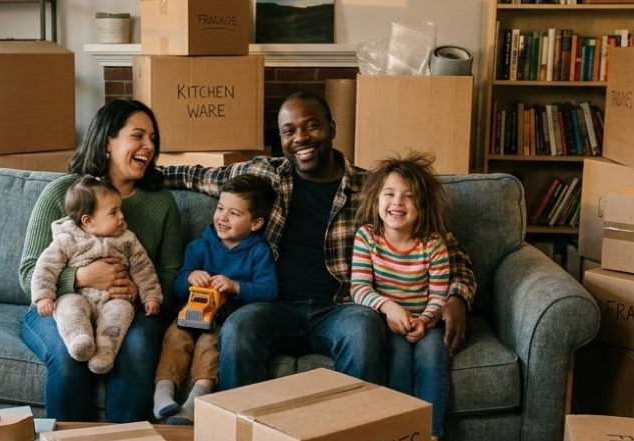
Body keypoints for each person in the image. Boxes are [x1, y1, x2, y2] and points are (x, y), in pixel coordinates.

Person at [161, 91, 475, 391]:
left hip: (341, 309)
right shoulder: (265, 174)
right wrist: (129, 171)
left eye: (312, 125)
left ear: (331, 128)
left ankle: (353, 440)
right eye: (289, 131)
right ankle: (243, 438)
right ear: (281, 138)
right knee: (239, 327)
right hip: (274, 306)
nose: (300, 138)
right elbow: (196, 176)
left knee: (364, 331)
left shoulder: (370, 188)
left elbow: (446, 247)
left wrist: (457, 298)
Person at [20, 99, 183, 422]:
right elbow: (29, 272)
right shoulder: (61, 193)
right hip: (59, 307)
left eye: (153, 139)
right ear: (108, 141)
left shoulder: (162, 203)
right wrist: (80, 278)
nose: (149, 146)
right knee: (70, 357)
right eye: (138, 136)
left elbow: (171, 273)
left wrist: (138, 292)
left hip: (126, 310)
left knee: (136, 352)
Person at [154, 174, 278, 424]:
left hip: (223, 320)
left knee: (210, 345)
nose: (222, 217)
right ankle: (163, 394)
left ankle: (196, 400)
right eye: (220, 208)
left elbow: (269, 291)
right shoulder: (199, 246)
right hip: (190, 314)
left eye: (234, 213)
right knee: (175, 337)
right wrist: (190, 277)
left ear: (255, 223)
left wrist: (235, 286)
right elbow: (178, 284)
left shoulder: (258, 251)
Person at [350, 153, 452, 438]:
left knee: (432, 353)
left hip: (426, 322)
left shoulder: (433, 244)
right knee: (397, 358)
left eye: (409, 196)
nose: (397, 202)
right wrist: (389, 307)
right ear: (376, 199)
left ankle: (430, 437)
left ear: (422, 205)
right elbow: (359, 288)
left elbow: (438, 296)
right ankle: (398, 434)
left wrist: (426, 320)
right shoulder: (367, 237)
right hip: (388, 322)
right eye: (390, 194)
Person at [31, 176, 164, 375]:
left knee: (122, 311)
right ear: (88, 221)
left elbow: (143, 268)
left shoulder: (127, 239)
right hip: (78, 297)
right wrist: (43, 296)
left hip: (112, 300)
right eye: (113, 212)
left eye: (121, 210)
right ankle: (79, 339)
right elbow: (45, 267)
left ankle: (105, 350)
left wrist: (151, 295)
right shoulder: (67, 239)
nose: (121, 217)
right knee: (68, 306)